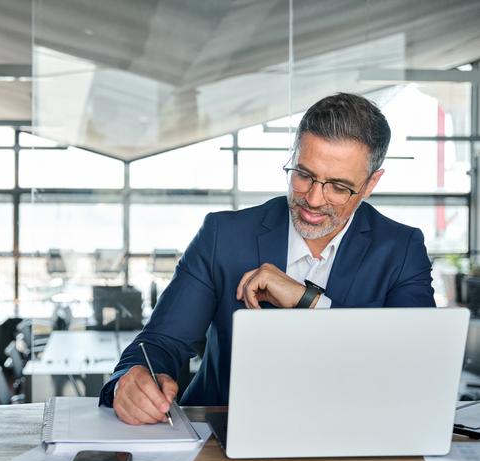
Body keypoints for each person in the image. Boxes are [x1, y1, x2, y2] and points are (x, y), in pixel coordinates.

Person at [99, 92, 436, 425]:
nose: (314, 199)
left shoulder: (401, 249)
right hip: (220, 436)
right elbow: (161, 342)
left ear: (371, 183)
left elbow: (414, 368)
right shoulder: (223, 236)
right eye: (304, 174)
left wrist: (308, 302)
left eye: (338, 186)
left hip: (351, 436)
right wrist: (129, 382)